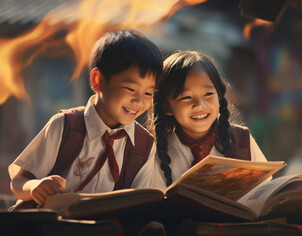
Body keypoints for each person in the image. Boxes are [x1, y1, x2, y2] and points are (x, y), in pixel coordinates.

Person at [8, 29, 163, 207]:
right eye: (130, 89)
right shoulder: (66, 126)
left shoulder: (144, 146)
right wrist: (35, 186)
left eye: (148, 93)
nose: (139, 100)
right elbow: (19, 181)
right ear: (98, 80)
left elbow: (138, 202)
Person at [152, 50, 268, 190]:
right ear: (167, 106)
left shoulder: (242, 141)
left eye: (208, 94)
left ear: (219, 97)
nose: (200, 104)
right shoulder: (157, 153)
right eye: (186, 97)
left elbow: (264, 190)